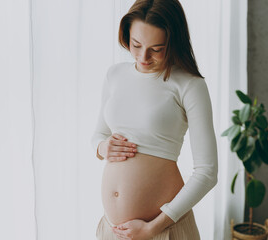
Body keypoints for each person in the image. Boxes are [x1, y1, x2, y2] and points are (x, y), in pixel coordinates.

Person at [91, 0, 218, 239]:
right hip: (112, 230)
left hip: (163, 230)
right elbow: (99, 134)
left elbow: (207, 172)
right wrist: (102, 146)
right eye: (136, 44)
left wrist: (153, 228)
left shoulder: (190, 85)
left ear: (174, 43)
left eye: (157, 49)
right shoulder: (115, 75)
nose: (143, 57)